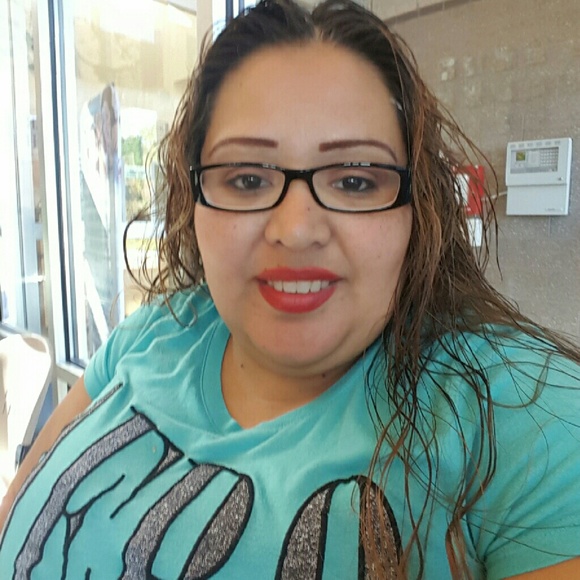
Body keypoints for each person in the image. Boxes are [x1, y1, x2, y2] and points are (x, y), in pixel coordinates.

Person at [1, 0, 579, 578]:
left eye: (355, 180)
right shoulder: (157, 329)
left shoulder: (522, 415)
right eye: (247, 178)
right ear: (192, 198)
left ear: (417, 208)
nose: (296, 230)